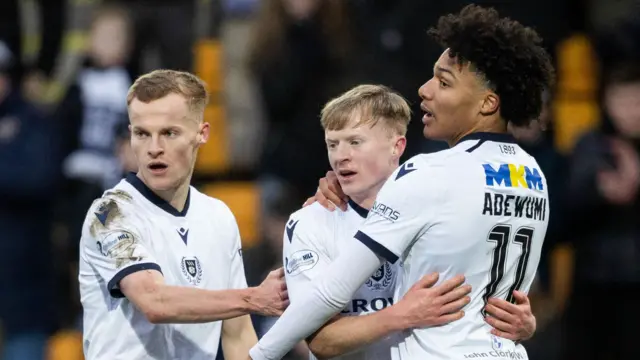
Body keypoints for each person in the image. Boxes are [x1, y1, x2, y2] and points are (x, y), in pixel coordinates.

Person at [248, 4, 554, 360]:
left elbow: (330, 297)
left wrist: (257, 356)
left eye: (443, 82)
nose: (423, 90)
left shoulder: (430, 172)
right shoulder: (535, 176)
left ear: (487, 103)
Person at [282, 84, 537, 360]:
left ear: (397, 146)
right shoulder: (310, 222)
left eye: (355, 142)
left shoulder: (442, 207)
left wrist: (523, 324)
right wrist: (400, 315)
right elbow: (320, 340)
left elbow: (478, 303)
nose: (340, 156)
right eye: (333, 144)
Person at [78, 70, 288, 360]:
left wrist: (247, 304)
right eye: (142, 133)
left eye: (169, 133)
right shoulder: (110, 215)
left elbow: (237, 334)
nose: (154, 149)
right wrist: (253, 298)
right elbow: (154, 301)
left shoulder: (219, 216)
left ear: (201, 134)